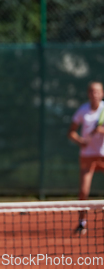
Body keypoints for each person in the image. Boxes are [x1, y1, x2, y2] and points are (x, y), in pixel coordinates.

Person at [67, 81, 104, 235]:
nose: (94, 94)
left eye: (97, 91)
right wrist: (81, 141)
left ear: (101, 94)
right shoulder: (83, 110)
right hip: (87, 156)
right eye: (91, 91)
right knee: (83, 191)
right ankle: (82, 223)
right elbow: (71, 132)